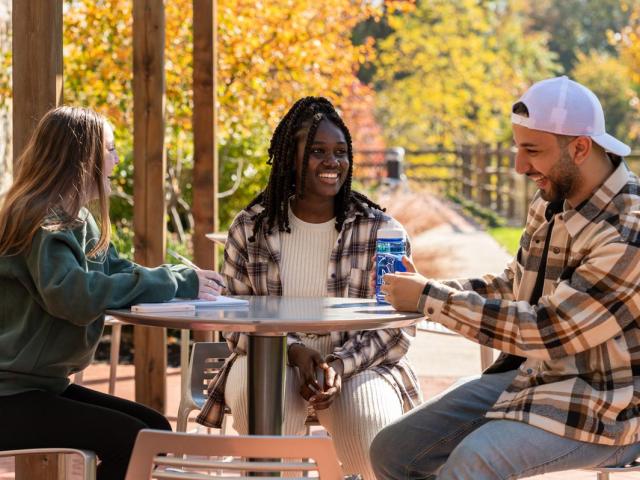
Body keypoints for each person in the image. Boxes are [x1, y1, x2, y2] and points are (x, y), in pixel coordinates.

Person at [370, 75, 640, 480]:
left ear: (580, 147)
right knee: (392, 451)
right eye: (518, 148)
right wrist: (431, 287)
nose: (519, 166)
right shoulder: (553, 198)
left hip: (607, 405)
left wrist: (430, 299)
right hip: (536, 376)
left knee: (474, 463)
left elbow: (549, 328)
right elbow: (517, 284)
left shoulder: (628, 229)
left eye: (532, 150)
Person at [196, 96, 421, 479]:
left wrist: (337, 365)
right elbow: (232, 320)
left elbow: (395, 326)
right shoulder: (250, 229)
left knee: (373, 436)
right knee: (266, 420)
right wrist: (294, 351)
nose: (332, 162)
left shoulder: (383, 231)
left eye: (340, 152)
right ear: (289, 159)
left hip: (361, 365)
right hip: (267, 358)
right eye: (317, 151)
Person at [0, 106, 223, 480]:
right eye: (110, 149)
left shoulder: (77, 219)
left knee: (153, 430)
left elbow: (117, 270)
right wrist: (175, 282)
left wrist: (180, 277)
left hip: (41, 386)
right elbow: (72, 295)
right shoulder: (43, 221)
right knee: (136, 438)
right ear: (81, 158)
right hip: (11, 396)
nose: (116, 160)